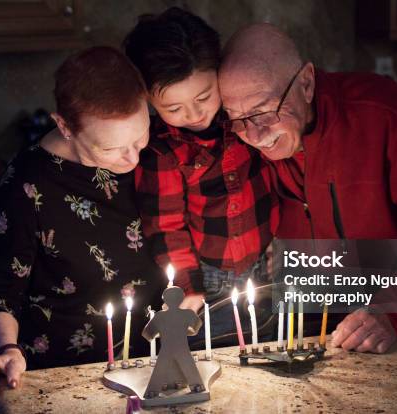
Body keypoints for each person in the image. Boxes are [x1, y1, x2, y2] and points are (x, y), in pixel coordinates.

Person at [218, 24, 397, 353]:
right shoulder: (244, 138)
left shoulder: (384, 115)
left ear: (306, 82)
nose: (255, 136)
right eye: (237, 117)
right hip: (322, 333)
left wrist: (393, 311)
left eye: (264, 112)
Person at [0, 46, 164, 411]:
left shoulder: (152, 151)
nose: (133, 158)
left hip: (152, 369)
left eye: (140, 137)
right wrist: (5, 348)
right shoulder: (26, 186)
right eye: (113, 148)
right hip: (65, 377)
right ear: (64, 125)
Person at [124, 8, 279, 345]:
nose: (194, 114)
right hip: (207, 283)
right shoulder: (160, 152)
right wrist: (187, 289)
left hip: (269, 268)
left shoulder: (246, 118)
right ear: (147, 100)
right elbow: (166, 229)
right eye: (174, 109)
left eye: (205, 97)